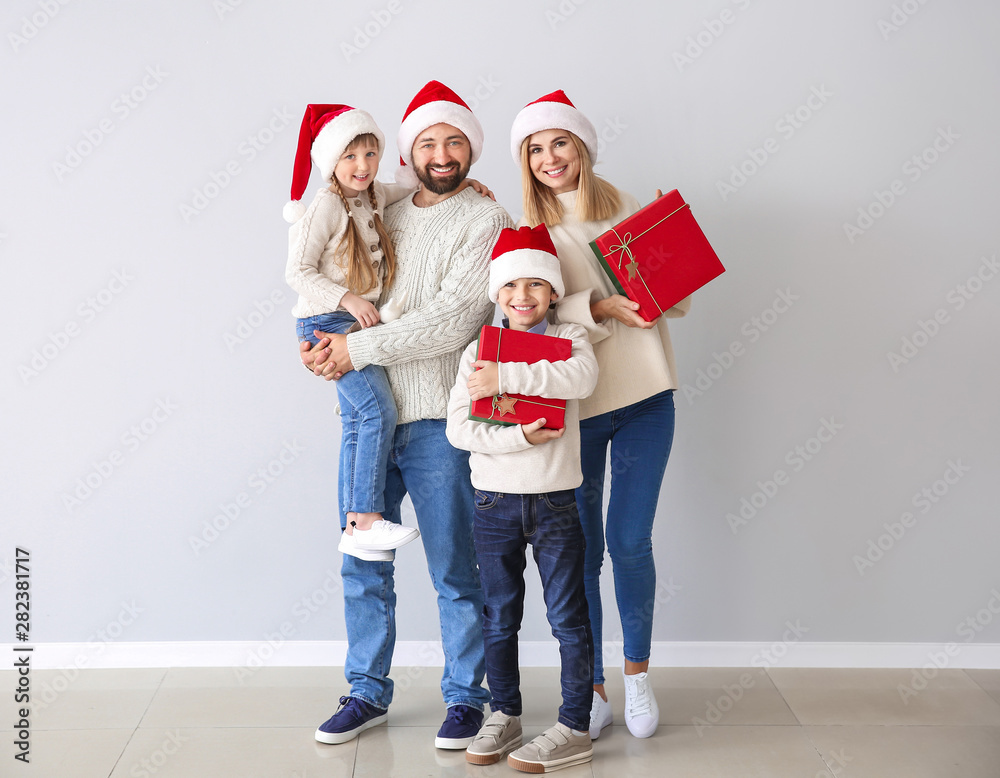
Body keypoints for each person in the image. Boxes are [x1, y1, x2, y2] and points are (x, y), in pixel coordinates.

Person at [301, 81, 513, 749]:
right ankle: (366, 691)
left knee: (455, 566)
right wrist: (322, 346)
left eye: (454, 141)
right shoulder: (381, 208)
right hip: (369, 420)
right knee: (361, 559)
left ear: (471, 150)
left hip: (437, 421)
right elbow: (335, 273)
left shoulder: (486, 220)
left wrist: (352, 347)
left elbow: (455, 321)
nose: (442, 153)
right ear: (408, 152)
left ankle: (465, 698)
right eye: (427, 141)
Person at [510, 90, 691, 740]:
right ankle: (588, 687)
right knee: (578, 552)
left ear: (581, 146)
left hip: (646, 401)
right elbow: (523, 316)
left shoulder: (630, 211)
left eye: (559, 142)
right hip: (577, 408)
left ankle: (637, 677)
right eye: (535, 148)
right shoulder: (528, 236)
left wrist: (671, 270)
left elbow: (675, 305)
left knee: (630, 541)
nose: (549, 157)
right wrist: (597, 308)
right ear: (525, 162)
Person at [446, 224, 598, 773]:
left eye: (537, 285)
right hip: (493, 504)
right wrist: (519, 437)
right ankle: (505, 712)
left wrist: (505, 375)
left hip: (556, 500)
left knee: (567, 619)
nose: (523, 297)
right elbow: (459, 431)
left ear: (554, 294)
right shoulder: (474, 352)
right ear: (496, 294)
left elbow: (580, 379)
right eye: (511, 286)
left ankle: (573, 726)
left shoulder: (571, 343)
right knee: (499, 616)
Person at [284, 103, 420, 560]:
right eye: (350, 157)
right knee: (377, 411)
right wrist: (348, 298)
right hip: (327, 319)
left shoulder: (373, 195)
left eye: (370, 154)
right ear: (331, 162)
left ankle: (353, 523)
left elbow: (406, 191)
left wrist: (468, 186)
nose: (362, 166)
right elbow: (297, 272)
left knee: (358, 421)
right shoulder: (325, 204)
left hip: (348, 318)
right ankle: (366, 518)